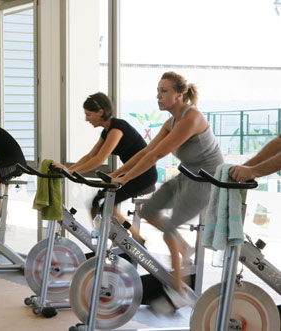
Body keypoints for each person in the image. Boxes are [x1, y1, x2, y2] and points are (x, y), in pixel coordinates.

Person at [108, 72, 224, 307]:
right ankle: (184, 247)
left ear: (180, 95)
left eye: (164, 91)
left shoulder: (192, 118)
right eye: (158, 90)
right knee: (148, 211)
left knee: (168, 230)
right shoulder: (170, 122)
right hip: (187, 174)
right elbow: (145, 151)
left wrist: (127, 178)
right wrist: (115, 175)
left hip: (206, 180)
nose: (158, 96)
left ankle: (178, 291)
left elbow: (157, 155)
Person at [53, 92, 157, 244]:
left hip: (143, 174)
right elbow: (90, 156)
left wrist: (71, 172)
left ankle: (135, 240)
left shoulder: (117, 128)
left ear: (100, 112)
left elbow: (100, 159)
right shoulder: (106, 131)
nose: (86, 119)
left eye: (88, 115)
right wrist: (68, 169)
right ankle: (101, 244)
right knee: (96, 205)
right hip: (131, 173)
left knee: (108, 207)